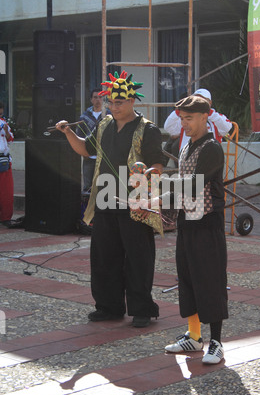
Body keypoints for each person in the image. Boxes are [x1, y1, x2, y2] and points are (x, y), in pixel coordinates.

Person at [55, 71, 164, 328]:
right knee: (104, 256)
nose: (114, 107)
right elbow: (86, 149)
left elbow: (158, 164)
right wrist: (68, 132)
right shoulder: (103, 125)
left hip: (136, 199)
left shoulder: (148, 129)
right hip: (105, 196)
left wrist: (147, 173)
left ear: (132, 101)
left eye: (120, 102)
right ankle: (109, 306)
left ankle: (141, 309)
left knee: (138, 256)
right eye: (111, 103)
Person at [161, 95, 228, 364]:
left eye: (189, 118)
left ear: (205, 117)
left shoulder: (211, 148)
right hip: (187, 222)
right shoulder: (186, 147)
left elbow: (193, 185)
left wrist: (155, 196)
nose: (184, 124)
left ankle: (217, 342)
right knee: (187, 278)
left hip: (207, 223)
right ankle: (193, 336)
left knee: (210, 280)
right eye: (182, 118)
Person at [164, 88, 232, 153]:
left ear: (210, 103)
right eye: (196, 100)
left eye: (202, 100)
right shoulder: (185, 118)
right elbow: (169, 128)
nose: (198, 103)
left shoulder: (215, 118)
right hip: (186, 159)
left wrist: (209, 113)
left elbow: (227, 128)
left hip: (209, 158)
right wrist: (179, 111)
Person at [76, 89, 107, 193]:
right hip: (89, 157)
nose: (98, 100)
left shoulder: (109, 116)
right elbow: (79, 135)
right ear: (91, 100)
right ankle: (86, 209)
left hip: (105, 158)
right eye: (95, 97)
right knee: (88, 187)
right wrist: (84, 153)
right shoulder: (84, 117)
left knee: (104, 187)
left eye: (100, 97)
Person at [0, 102, 14, 226]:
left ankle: (6, 217)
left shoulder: (4, 122)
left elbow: (10, 139)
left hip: (3, 159)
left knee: (6, 191)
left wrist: (6, 131)